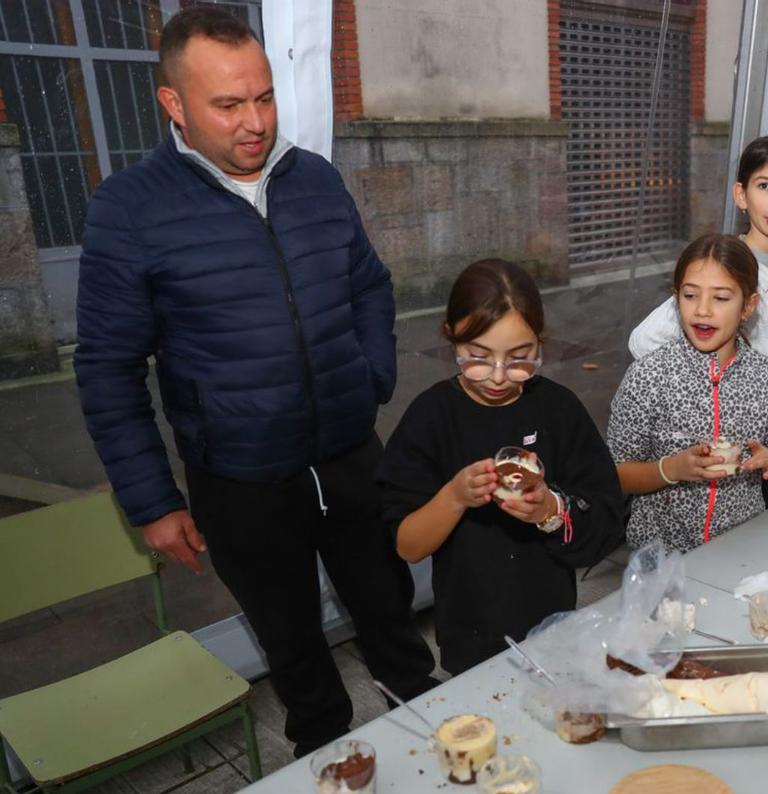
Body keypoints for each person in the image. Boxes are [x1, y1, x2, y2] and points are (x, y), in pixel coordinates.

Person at [73, 7, 436, 757]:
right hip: (238, 481)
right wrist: (152, 501)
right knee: (293, 647)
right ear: (174, 104)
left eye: (264, 98)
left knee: (391, 617)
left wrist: (372, 376)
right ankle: (331, 761)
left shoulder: (316, 180)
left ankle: (434, 742)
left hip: (347, 452)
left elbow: (369, 285)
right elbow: (107, 367)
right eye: (229, 105)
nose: (256, 123)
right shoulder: (129, 209)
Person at [377, 259, 625, 675]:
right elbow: (407, 545)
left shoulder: (558, 410)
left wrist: (550, 510)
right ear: (450, 338)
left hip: (553, 624)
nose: (497, 376)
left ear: (540, 345)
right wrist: (453, 496)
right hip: (468, 631)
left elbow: (605, 524)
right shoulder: (432, 417)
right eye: (477, 356)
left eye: (519, 358)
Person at [628, 135, 768, 495]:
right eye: (764, 186)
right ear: (741, 195)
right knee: (755, 527)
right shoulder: (727, 266)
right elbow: (644, 341)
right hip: (748, 421)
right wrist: (709, 391)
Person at [608, 234, 768, 553]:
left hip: (742, 549)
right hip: (660, 556)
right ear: (676, 299)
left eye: (721, 298)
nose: (702, 310)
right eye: (690, 295)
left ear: (748, 305)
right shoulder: (649, 375)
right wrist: (671, 469)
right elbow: (615, 472)